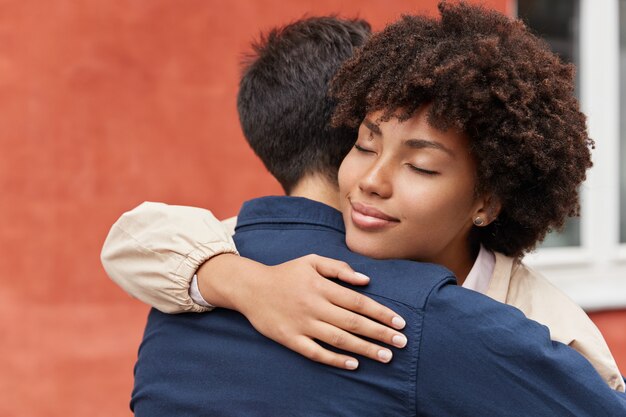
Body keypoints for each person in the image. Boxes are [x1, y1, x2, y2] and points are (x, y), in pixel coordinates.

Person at [104, 6, 626, 416]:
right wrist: (245, 284)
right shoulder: (248, 254)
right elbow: (136, 240)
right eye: (365, 145)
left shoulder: (543, 324)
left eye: (421, 167)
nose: (373, 183)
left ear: (488, 201)